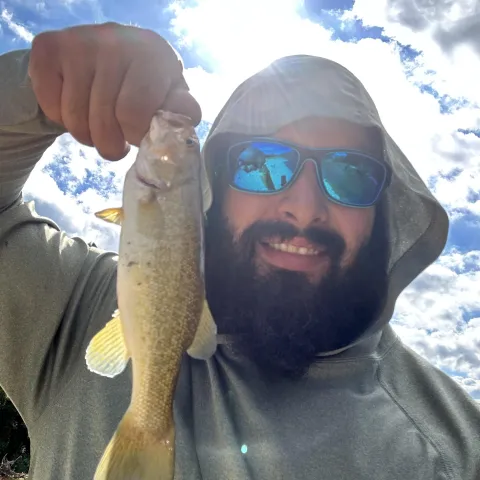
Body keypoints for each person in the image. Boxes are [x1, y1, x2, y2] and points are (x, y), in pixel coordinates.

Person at [0, 22, 479, 480]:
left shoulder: (459, 451)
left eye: (351, 173)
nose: (304, 208)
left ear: (384, 210)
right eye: (261, 163)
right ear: (214, 189)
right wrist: (36, 91)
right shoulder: (75, 307)